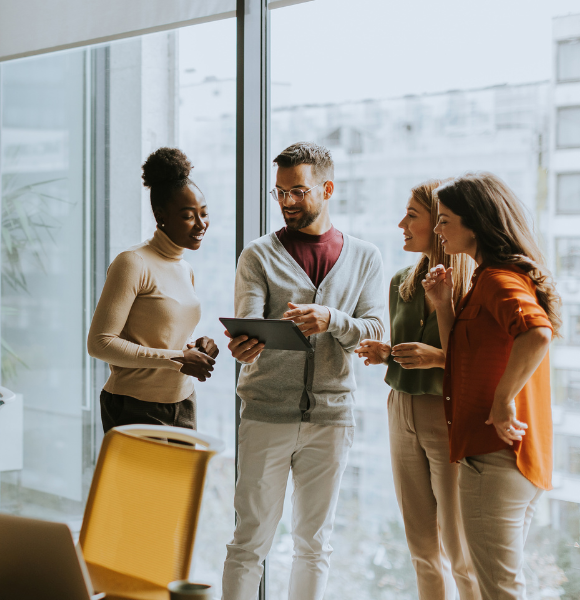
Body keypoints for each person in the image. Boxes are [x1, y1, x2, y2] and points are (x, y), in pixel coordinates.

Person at [221, 142, 385, 600]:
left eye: (297, 191)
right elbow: (250, 324)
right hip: (265, 414)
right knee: (249, 542)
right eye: (279, 193)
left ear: (327, 188)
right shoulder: (258, 255)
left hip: (331, 418)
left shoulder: (365, 257)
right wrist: (245, 347)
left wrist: (331, 319)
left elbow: (373, 329)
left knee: (314, 543)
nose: (287, 203)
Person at [423, 173, 560, 600]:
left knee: (498, 589)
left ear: (475, 222)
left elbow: (537, 333)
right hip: (504, 459)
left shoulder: (499, 280)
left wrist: (502, 402)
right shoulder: (488, 279)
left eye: (444, 220)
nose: (437, 231)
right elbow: (460, 359)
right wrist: (444, 307)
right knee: (499, 585)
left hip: (495, 456)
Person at [355, 180, 479, 600]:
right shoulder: (399, 284)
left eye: (412, 215)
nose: (401, 224)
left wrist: (437, 358)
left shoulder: (470, 288)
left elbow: (476, 361)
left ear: (439, 223)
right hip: (400, 409)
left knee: (459, 547)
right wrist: (386, 352)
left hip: (444, 416)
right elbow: (410, 350)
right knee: (421, 546)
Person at [87, 147, 218, 433]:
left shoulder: (185, 269)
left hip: (183, 404)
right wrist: (177, 359)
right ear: (161, 216)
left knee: (183, 481)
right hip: (134, 406)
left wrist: (194, 347)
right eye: (188, 216)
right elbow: (99, 343)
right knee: (141, 482)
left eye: (204, 213)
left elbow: (165, 334)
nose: (201, 224)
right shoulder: (132, 262)